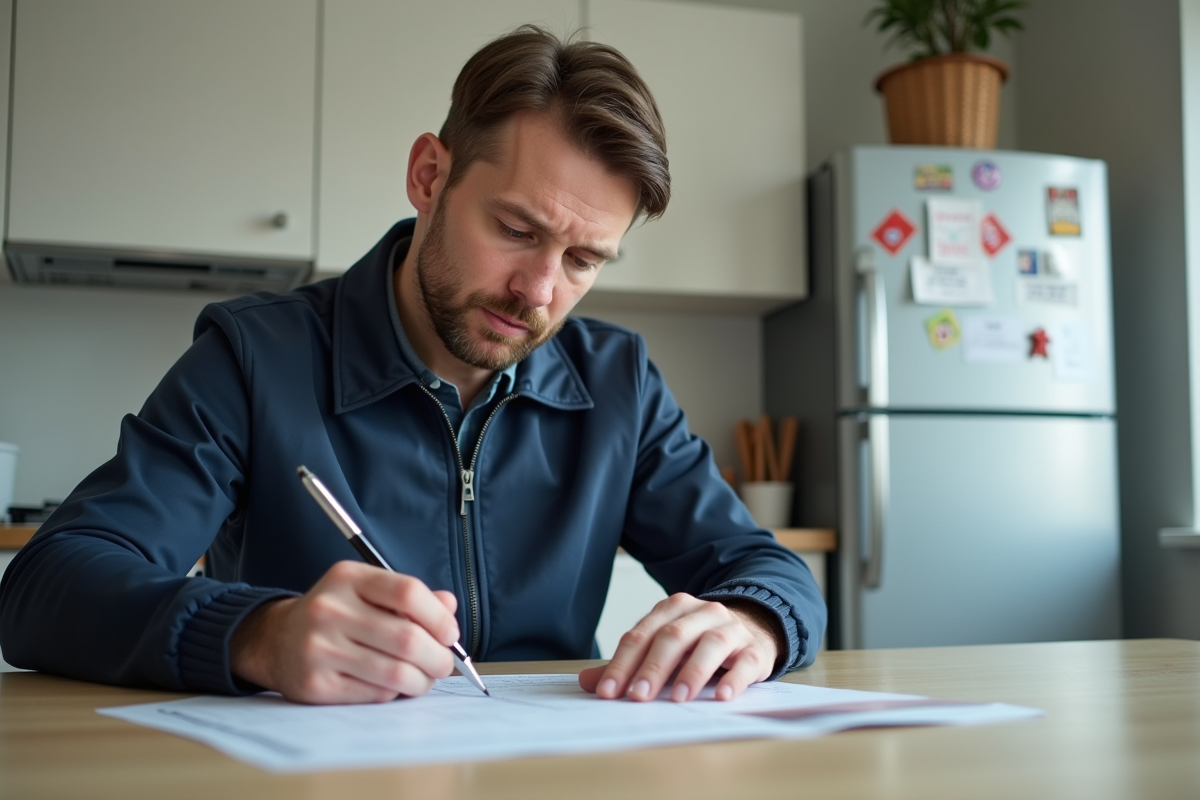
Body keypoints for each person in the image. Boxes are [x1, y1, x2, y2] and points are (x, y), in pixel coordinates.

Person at [0, 26, 825, 705]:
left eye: (583, 260)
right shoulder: (256, 358)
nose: (539, 291)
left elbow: (767, 570)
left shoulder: (618, 381)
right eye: (516, 230)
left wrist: (753, 623)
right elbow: (46, 587)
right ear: (430, 176)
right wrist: (259, 634)